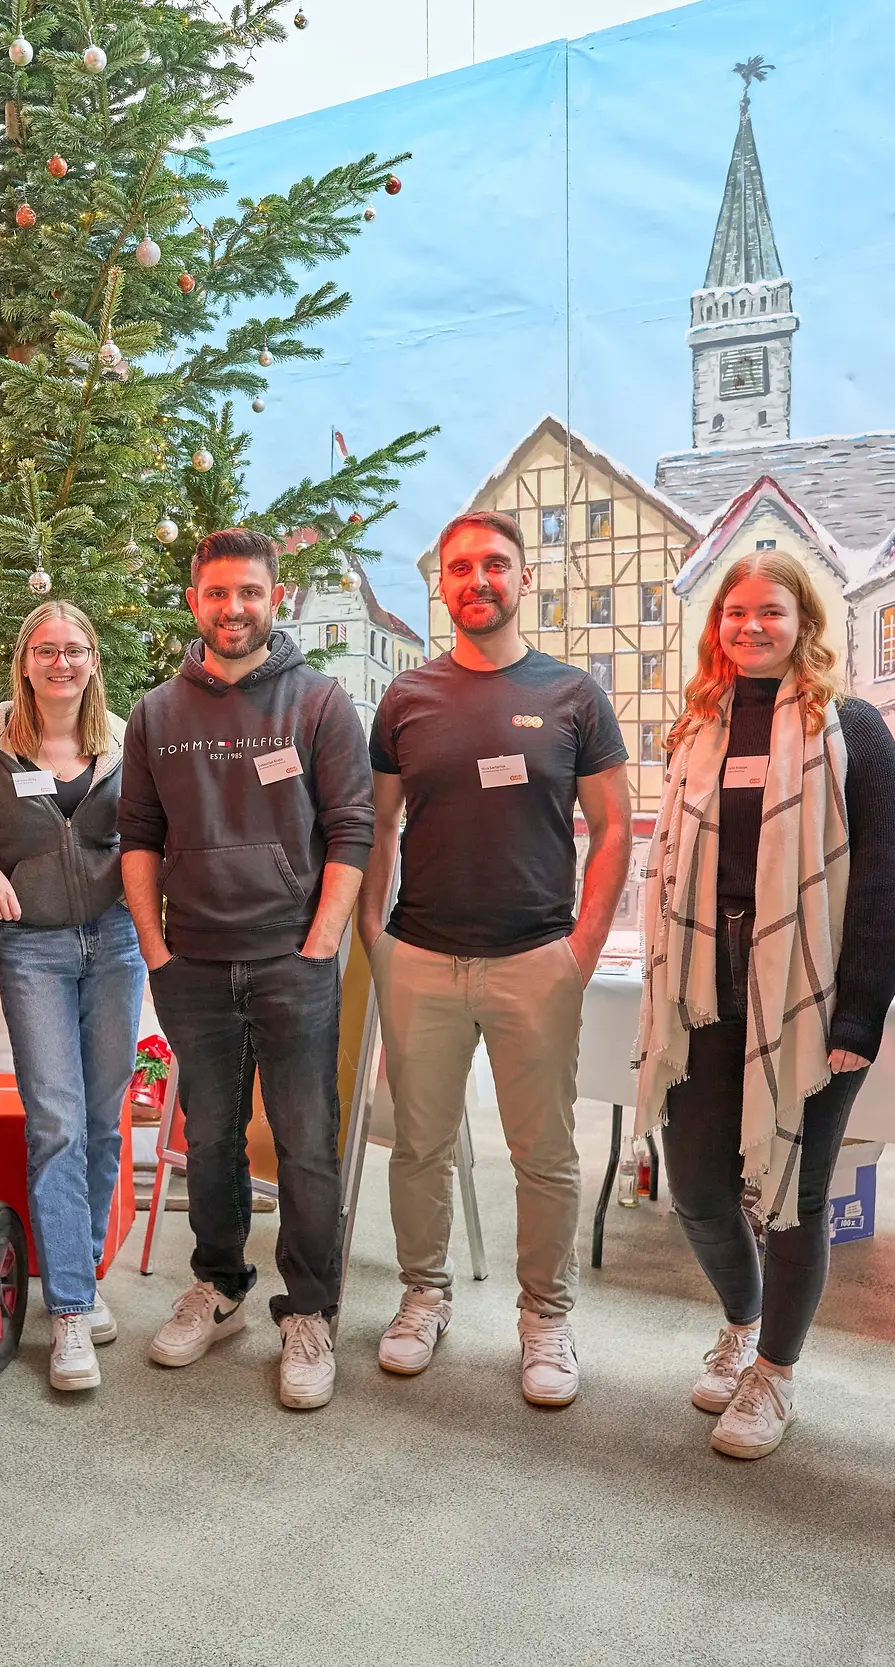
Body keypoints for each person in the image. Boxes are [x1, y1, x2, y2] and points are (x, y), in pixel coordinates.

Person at [631, 553, 895, 1460]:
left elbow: (883, 884)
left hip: (807, 991)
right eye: (736, 612)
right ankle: (743, 1323)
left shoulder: (854, 728)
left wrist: (859, 1016)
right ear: (717, 625)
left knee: (795, 1195)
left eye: (771, 611)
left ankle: (776, 1374)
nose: (751, 627)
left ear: (804, 622)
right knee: (697, 1189)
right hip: (702, 986)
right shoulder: (698, 727)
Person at [358, 511, 630, 1406]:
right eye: (462, 566)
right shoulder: (407, 698)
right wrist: (375, 938)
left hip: (534, 959)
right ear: (442, 582)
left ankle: (546, 1318)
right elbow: (379, 825)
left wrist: (581, 950)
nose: (479, 579)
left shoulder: (573, 695)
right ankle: (422, 1296)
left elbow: (615, 827)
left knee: (543, 1153)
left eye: (497, 564)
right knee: (420, 1148)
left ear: (523, 577)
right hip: (420, 957)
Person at [118, 528, 374, 1410]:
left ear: (277, 597)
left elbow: (352, 829)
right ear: (195, 600)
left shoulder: (320, 701)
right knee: (211, 1139)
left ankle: (310, 1311)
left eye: (251, 592)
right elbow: (139, 837)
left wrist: (321, 942)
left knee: (305, 1141)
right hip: (191, 961)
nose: (235, 608)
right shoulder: (156, 714)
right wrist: (155, 946)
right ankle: (219, 1286)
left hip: (291, 959)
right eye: (219, 592)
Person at [0, 601, 144, 1393]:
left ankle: (79, 1273)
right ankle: (68, 1312)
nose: (62, 662)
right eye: (46, 650)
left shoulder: (125, 741)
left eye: (75, 649)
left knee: (103, 1119)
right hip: (34, 950)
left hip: (117, 942)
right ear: (24, 660)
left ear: (94, 660)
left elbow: (153, 834)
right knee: (57, 1121)